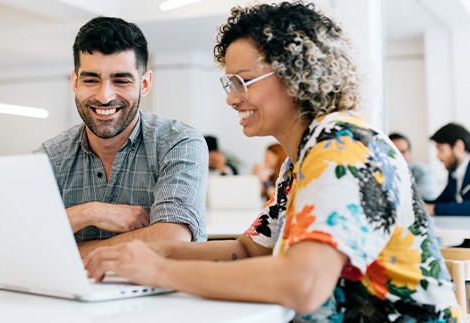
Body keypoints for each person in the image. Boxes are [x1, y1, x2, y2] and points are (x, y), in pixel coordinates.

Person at [85, 2, 458, 321]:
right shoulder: (300, 161)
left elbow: (303, 284)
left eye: (242, 81)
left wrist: (160, 270)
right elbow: (248, 251)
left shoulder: (344, 147)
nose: (232, 99)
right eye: (228, 83)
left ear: (297, 75)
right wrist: (152, 251)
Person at [34, 17, 209, 258]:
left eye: (121, 80)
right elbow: (21, 240)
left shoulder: (177, 142)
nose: (105, 96)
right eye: (91, 80)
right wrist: (90, 213)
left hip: (163, 295)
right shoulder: (49, 158)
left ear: (145, 83)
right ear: (75, 82)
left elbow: (172, 239)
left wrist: (66, 250)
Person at [425, 123, 470, 216]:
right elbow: (440, 202)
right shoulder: (454, 174)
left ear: (458, 146)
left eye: (441, 149)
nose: (438, 156)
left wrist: (434, 209)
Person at [389, 132, 438, 201]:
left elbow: (427, 196)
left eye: (403, 152)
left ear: (409, 153)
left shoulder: (424, 172)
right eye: (393, 152)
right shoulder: (379, 173)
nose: (399, 156)